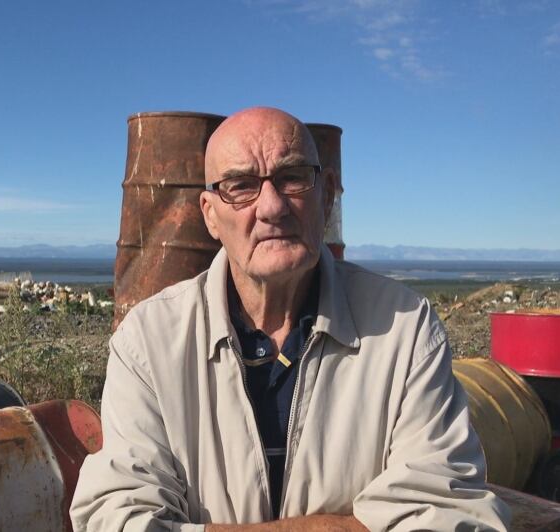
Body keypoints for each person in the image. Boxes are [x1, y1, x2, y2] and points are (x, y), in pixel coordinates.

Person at [70, 107, 510, 531]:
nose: (272, 207)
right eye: (241, 185)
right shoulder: (148, 341)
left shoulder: (405, 329)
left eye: (293, 178)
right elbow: (118, 518)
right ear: (210, 215)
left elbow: (450, 516)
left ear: (328, 194)